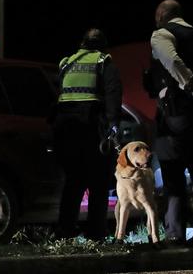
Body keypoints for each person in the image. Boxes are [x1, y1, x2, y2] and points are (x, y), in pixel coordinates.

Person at [147, 0, 193, 246]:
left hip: (176, 114)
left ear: (161, 15)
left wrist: (189, 85)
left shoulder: (161, 34)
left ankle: (175, 235)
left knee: (172, 175)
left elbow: (172, 61)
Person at [54, 28, 123, 241]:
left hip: (66, 130)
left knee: (73, 182)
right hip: (92, 129)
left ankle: (65, 232)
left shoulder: (66, 63)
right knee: (99, 183)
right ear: (103, 45)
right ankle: (96, 234)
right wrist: (114, 126)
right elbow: (113, 94)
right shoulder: (104, 62)